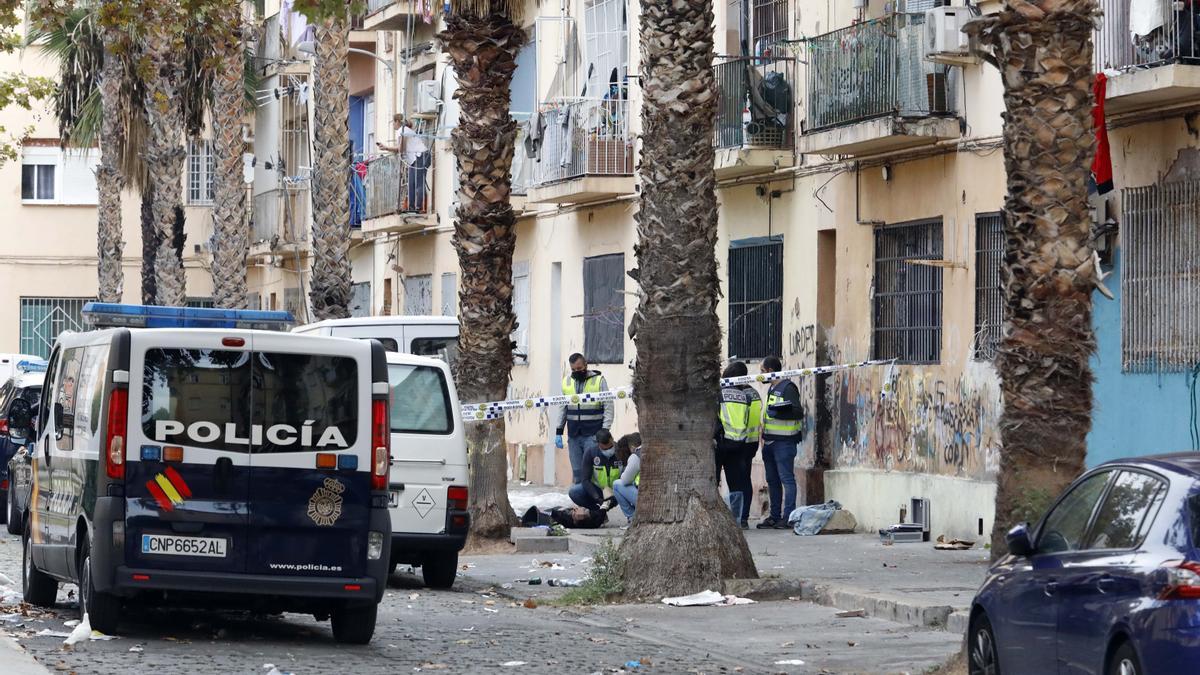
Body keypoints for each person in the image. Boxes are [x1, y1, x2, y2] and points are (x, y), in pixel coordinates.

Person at [756, 356, 805, 529]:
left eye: (762, 371)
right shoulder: (772, 388)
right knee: (772, 480)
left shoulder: (788, 387)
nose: (760, 376)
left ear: (770, 371)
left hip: (784, 443)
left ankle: (788, 517)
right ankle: (774, 516)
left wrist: (780, 412)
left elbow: (798, 412)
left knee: (786, 479)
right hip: (770, 442)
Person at [554, 354, 615, 484]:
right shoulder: (566, 382)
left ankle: (596, 501)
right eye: (573, 370)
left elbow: (608, 405)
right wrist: (559, 431)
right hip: (574, 435)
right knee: (577, 472)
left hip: (593, 434)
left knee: (593, 472)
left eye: (579, 368)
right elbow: (562, 407)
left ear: (586, 365)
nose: (577, 372)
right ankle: (581, 500)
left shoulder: (599, 380)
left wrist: (605, 429)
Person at [714, 361, 761, 529]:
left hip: (721, 444)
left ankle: (715, 518)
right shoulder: (746, 395)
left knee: (714, 480)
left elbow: (715, 419)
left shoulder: (718, 394)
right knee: (738, 484)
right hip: (740, 444)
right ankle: (739, 520)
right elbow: (748, 420)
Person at [568, 429, 621, 512]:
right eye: (605, 449)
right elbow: (585, 480)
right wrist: (597, 498)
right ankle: (598, 512)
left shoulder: (621, 450)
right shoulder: (591, 452)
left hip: (618, 490)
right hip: (600, 490)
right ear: (598, 443)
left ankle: (630, 517)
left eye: (610, 447)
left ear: (612, 439)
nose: (608, 451)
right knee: (574, 492)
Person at [612, 432, 642, 521]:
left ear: (632, 447)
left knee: (617, 484)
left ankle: (632, 517)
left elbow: (625, 480)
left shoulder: (635, 456)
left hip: (645, 498)